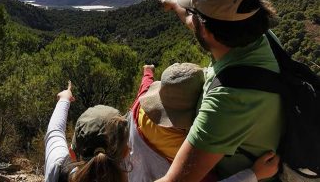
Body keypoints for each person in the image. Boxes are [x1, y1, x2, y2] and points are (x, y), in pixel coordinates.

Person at [44, 64, 279, 182]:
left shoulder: (58, 167)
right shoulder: (196, 144)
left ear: (73, 153)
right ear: (127, 151)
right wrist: (253, 174)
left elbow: (54, 131)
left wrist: (64, 99)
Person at [156, 0, 283, 182]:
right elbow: (196, 23)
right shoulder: (261, 37)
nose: (191, 18)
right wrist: (175, 4)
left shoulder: (229, 100)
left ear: (205, 29)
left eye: (194, 14)